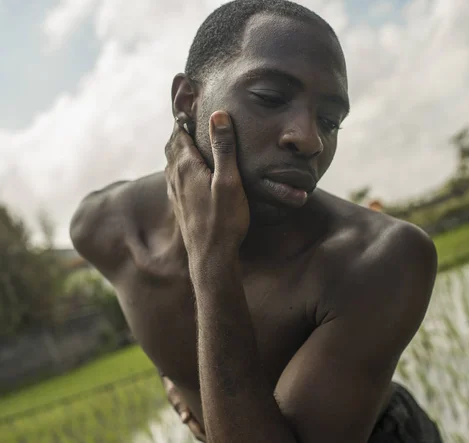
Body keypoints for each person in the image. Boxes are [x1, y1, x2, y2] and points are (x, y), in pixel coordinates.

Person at [69, 1, 443, 441]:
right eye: (269, 97)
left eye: (330, 121)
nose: (309, 138)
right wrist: (181, 392)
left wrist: (212, 260)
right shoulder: (107, 229)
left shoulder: (378, 259)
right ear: (187, 101)